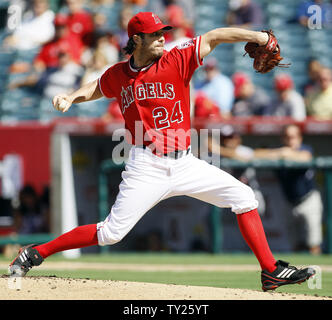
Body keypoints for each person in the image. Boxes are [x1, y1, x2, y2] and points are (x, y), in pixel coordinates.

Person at [9, 11, 315, 292]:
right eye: (155, 34)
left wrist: (259, 38)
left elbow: (215, 36)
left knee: (244, 198)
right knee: (111, 233)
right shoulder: (119, 74)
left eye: (163, 32)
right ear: (136, 40)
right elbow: (97, 87)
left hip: (186, 163)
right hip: (146, 167)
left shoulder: (177, 59)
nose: (162, 37)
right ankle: (35, 253)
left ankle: (270, 270)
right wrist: (71, 96)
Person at [254, 124, 323, 255]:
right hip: (288, 201)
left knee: (313, 243)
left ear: (300, 138)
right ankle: (297, 272)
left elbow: (305, 157)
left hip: (308, 198)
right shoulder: (280, 152)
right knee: (294, 244)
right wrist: (280, 153)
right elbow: (255, 154)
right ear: (282, 138)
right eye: (287, 137)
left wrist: (286, 153)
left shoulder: (305, 149)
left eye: (293, 136)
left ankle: (317, 272)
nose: (291, 140)